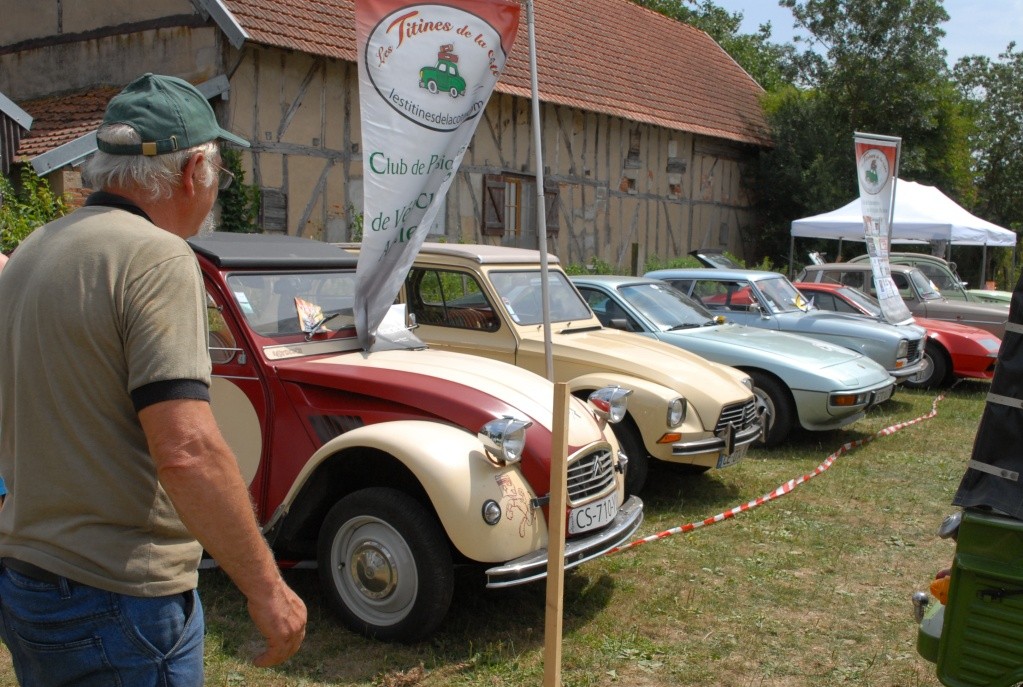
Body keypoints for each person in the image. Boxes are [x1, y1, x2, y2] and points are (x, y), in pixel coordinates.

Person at [0, 73, 307, 685]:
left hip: (30, 579)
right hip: (120, 593)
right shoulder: (157, 257)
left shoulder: (33, 248)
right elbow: (187, 450)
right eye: (218, 169)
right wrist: (268, 588)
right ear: (195, 169)